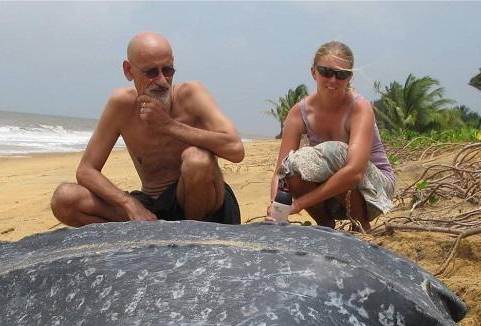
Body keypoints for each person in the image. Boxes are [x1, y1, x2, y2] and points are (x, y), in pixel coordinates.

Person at [51, 32, 245, 226]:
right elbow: (86, 170)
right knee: (65, 198)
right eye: (151, 72)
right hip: (152, 208)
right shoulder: (122, 105)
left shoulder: (191, 94)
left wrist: (168, 125)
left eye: (168, 70)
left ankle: (190, 236)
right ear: (129, 71)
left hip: (202, 206)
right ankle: (159, 232)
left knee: (197, 160)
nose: (162, 81)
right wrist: (128, 203)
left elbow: (236, 150)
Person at [268, 41, 396, 232]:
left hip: (375, 191)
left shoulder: (359, 107)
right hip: (331, 194)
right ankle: (325, 224)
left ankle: (360, 226)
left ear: (349, 77)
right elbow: (281, 170)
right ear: (314, 72)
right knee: (293, 169)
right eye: (326, 72)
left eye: (341, 74)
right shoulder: (299, 112)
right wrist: (276, 207)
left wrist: (298, 204)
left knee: (337, 152)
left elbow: (355, 172)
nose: (333, 80)